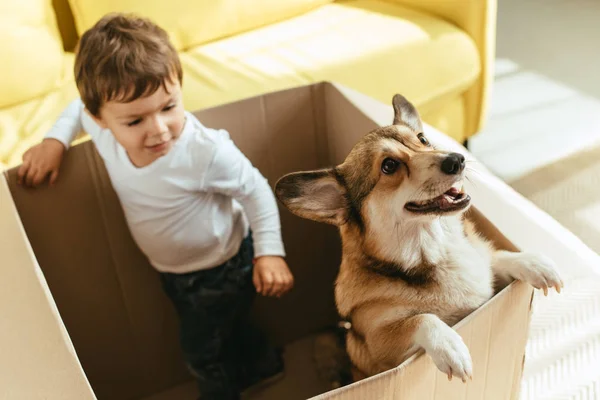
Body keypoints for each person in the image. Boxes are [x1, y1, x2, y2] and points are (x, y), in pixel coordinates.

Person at [18, 12, 294, 400]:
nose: (159, 129)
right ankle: (265, 365)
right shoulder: (98, 125)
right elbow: (74, 110)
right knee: (225, 329)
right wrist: (54, 143)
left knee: (201, 351)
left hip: (222, 267)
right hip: (175, 272)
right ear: (102, 119)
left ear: (179, 89)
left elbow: (256, 191)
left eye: (169, 107)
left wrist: (270, 253)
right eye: (135, 121)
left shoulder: (205, 151)